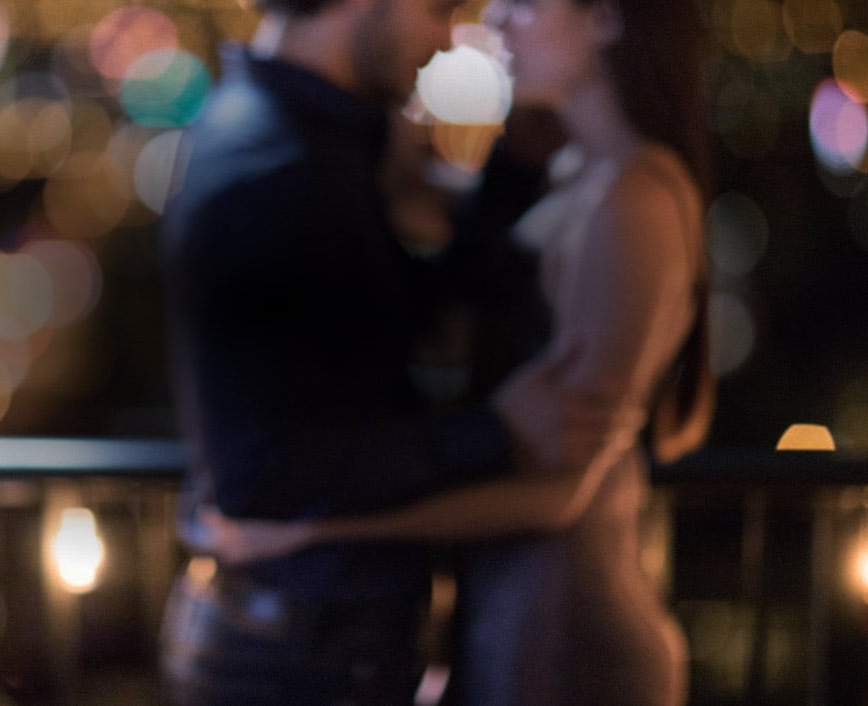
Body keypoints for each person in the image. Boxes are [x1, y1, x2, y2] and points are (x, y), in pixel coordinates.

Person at [197, 0, 717, 703]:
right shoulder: (574, 172)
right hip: (506, 609)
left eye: (527, 3)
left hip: (567, 627)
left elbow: (559, 493)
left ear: (607, 18)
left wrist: (305, 529)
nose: (494, 19)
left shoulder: (638, 200)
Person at [156, 0, 520, 704]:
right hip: (298, 654)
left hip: (305, 636)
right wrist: (503, 437)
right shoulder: (278, 163)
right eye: (438, 9)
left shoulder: (304, 139)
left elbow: (362, 334)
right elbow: (258, 469)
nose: (449, 40)